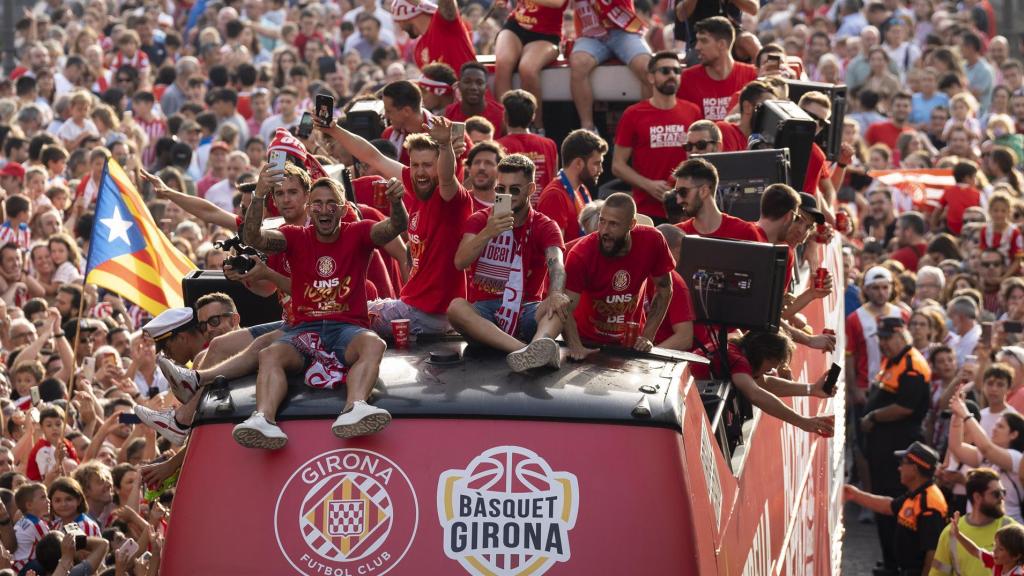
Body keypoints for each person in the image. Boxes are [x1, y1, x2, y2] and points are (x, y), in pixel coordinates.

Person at [233, 169, 408, 449]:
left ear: (342, 210)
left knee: (374, 344)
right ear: (309, 209)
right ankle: (263, 419)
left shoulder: (359, 232)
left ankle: (355, 408)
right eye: (317, 203)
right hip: (303, 330)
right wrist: (259, 195)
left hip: (346, 330)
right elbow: (253, 238)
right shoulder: (294, 236)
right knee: (269, 354)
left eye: (330, 204)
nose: (324, 210)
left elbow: (395, 227)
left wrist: (397, 201)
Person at [322, 115, 472, 337]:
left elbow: (448, 177)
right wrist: (333, 129)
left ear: (438, 166)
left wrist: (444, 145)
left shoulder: (449, 196)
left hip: (429, 315)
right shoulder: (417, 186)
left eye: (428, 165)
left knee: (335, 315)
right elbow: (373, 156)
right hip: (414, 307)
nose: (420, 172)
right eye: (415, 165)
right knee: (330, 311)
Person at [447, 154, 567, 371]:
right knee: (456, 308)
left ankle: (539, 343)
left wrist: (556, 293)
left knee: (558, 305)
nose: (506, 195)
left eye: (514, 190)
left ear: (531, 189)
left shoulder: (544, 225)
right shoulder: (480, 220)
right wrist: (488, 232)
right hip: (484, 317)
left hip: (526, 309)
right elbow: (460, 261)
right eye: (501, 189)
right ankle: (527, 351)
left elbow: (557, 263)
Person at [861, 317, 934, 573]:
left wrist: (873, 416)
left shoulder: (913, 363)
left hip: (900, 444)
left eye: (887, 338)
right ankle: (890, 561)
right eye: (879, 338)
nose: (883, 343)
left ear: (901, 335)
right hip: (883, 447)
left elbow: (906, 407)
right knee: (885, 505)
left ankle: (898, 565)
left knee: (894, 505)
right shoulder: (891, 359)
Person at [562, 193, 673, 359]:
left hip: (630, 344)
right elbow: (565, 306)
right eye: (602, 221)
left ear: (631, 224)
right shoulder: (581, 253)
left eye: (613, 224)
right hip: (587, 342)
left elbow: (665, 288)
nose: (605, 230)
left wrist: (647, 337)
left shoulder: (653, 240)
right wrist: (575, 345)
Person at [688, 329, 837, 434]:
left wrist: (811, 389)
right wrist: (801, 421)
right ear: (764, 355)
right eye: (770, 367)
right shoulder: (737, 360)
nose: (771, 371)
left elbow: (763, 383)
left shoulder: (736, 344)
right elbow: (756, 394)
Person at [612, 51, 701, 223]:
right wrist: (648, 185)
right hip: (647, 210)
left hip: (686, 208)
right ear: (651, 77)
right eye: (665, 71)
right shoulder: (633, 114)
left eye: (677, 71)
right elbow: (617, 165)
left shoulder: (693, 111)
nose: (672, 76)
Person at [844, 441, 948, 576]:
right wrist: (855, 495)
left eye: (903, 463)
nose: (899, 468)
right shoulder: (917, 494)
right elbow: (888, 506)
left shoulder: (929, 504)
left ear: (914, 468)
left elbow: (932, 552)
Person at [568, 0, 651, 131]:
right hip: (590, 32)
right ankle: (588, 128)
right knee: (578, 63)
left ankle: (647, 126)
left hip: (623, 30)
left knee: (648, 68)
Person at [491, 0, 565, 130]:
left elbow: (557, 3)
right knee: (503, 62)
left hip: (546, 33)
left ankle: (536, 127)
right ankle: (505, 125)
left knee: (528, 68)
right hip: (516, 24)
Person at [929, 468, 1017, 576]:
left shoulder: (1015, 531)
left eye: (1003, 492)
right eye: (996, 494)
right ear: (977, 497)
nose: (1002, 498)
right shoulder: (950, 533)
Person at [676, 17, 757, 121]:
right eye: (697, 41)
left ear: (721, 44)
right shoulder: (686, 79)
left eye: (704, 41)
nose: (697, 47)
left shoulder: (752, 76)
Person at [537, 129, 607, 243]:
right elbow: (554, 251)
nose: (601, 170)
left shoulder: (581, 189)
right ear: (579, 163)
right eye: (596, 163)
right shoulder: (554, 196)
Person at [671, 157, 760, 240]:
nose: (678, 200)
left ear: (704, 191)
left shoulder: (745, 233)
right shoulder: (677, 236)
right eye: (676, 192)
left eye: (683, 192)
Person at [497, 90, 559, 194]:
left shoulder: (497, 146)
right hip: (543, 209)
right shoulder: (550, 145)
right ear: (533, 116)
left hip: (509, 209)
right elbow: (554, 181)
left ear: (505, 116)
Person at [391, 0, 475, 73]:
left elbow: (447, 4)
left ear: (403, 20)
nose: (401, 28)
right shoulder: (418, 49)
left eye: (398, 22)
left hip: (468, 90)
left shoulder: (443, 22)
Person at [947, 512, 1024, 576]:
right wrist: (957, 534)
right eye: (995, 545)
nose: (994, 551)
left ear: (1016, 556)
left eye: (1001, 549)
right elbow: (975, 550)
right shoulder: (997, 562)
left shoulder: (1018, 574)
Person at [444, 62, 505, 138]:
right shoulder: (447, 114)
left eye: (479, 83)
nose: (473, 87)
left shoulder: (501, 115)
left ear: (486, 87)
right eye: (467, 82)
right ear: (459, 85)